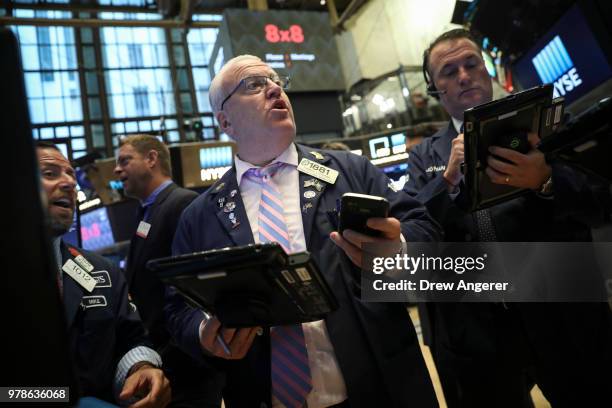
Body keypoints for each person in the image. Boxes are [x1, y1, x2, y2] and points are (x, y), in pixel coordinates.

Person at [164, 55, 443, 408]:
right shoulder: (200, 216)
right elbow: (177, 308)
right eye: (254, 84)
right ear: (226, 121)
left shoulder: (349, 171)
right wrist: (203, 333)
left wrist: (398, 251)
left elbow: (424, 230)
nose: (275, 89)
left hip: (380, 386)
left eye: (276, 80)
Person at [404, 28, 612, 407]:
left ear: (487, 71)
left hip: (563, 316)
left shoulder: (543, 123)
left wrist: (546, 180)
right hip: (480, 337)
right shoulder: (425, 156)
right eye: (449, 72)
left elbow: (599, 201)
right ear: (435, 89)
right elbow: (417, 234)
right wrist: (447, 180)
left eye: (471, 64)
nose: (464, 75)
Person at [36, 141, 171, 407]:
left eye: (71, 175)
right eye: (50, 173)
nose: (68, 183)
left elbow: (131, 339)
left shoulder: (102, 271)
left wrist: (140, 368)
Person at [114, 135, 221, 407]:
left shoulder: (181, 204)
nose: (116, 170)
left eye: (125, 161)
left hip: (184, 369)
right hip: (162, 365)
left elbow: (196, 290)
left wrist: (166, 355)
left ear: (151, 159)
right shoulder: (148, 211)